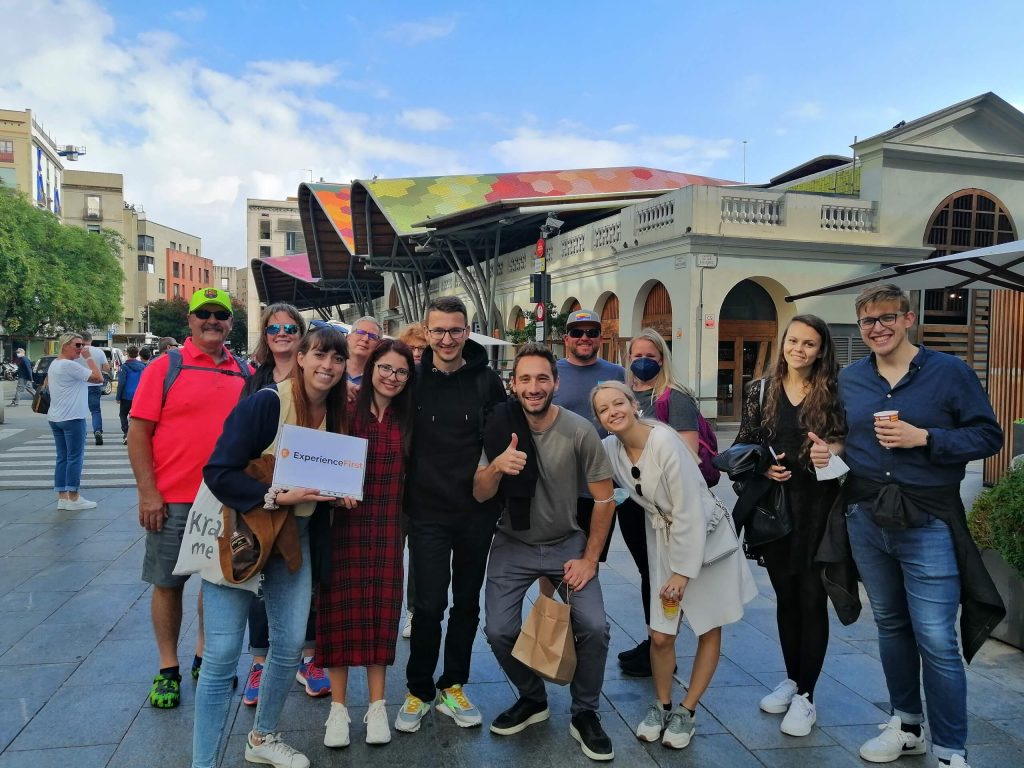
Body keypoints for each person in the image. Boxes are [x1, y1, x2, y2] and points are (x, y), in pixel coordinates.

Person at [810, 283, 1003, 768]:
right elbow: (843, 440)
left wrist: (925, 438)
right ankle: (907, 725)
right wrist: (828, 453)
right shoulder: (851, 379)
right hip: (866, 516)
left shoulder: (949, 372)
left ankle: (951, 749)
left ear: (908, 318)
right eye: (868, 321)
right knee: (892, 625)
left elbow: (988, 436)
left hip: (928, 519)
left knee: (936, 637)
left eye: (887, 318)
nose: (877, 328)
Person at [193, 325, 354, 768]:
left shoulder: (337, 414)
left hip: (293, 541)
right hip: (243, 534)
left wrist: (338, 492)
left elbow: (322, 481)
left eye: (337, 359)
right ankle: (203, 762)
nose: (328, 366)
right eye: (319, 355)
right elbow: (218, 470)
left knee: (288, 646)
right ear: (299, 357)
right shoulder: (267, 403)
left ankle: (262, 736)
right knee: (222, 655)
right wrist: (276, 496)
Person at [593, 380, 756, 750]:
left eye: (618, 403)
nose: (613, 411)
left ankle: (687, 710)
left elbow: (689, 510)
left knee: (708, 625)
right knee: (662, 633)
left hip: (706, 540)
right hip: (663, 542)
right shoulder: (610, 447)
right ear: (600, 419)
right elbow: (577, 458)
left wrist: (682, 573)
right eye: (604, 409)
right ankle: (663, 704)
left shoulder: (664, 442)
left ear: (635, 405)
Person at [475, 344, 616, 761]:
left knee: (595, 626)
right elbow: (480, 493)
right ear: (513, 384)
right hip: (513, 543)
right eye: (525, 379)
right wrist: (497, 467)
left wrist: (590, 559)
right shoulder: (500, 426)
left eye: (542, 379)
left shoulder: (578, 430)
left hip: (566, 544)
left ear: (555, 382)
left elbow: (605, 500)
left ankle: (585, 711)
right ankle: (532, 698)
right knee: (498, 630)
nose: (533, 387)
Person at [129, 288, 251, 710]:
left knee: (214, 582)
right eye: (204, 314)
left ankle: (202, 656)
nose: (212, 320)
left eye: (221, 314)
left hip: (226, 500)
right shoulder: (166, 367)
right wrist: (148, 492)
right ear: (191, 321)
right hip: (174, 499)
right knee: (167, 584)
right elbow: (138, 433)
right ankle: (167, 668)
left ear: (231, 323)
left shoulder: (243, 372)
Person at [395, 296, 506, 734]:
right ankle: (419, 689)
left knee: (465, 604)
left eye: (455, 330)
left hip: (476, 512)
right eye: (438, 331)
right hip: (426, 512)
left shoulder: (487, 382)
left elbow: (503, 442)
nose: (447, 339)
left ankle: (453, 684)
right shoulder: (412, 380)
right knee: (427, 605)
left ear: (467, 331)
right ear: (427, 332)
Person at [733, 315, 846, 736]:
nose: (798, 349)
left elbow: (844, 442)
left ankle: (808, 696)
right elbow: (744, 444)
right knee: (785, 597)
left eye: (809, 343)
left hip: (820, 507)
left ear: (821, 350)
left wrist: (830, 452)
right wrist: (762, 471)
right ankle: (793, 679)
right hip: (776, 510)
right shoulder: (759, 390)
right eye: (793, 341)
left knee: (812, 598)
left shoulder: (834, 390)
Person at [320, 339, 416, 748]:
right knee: (338, 618)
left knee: (380, 615)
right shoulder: (343, 410)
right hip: (343, 526)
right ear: (371, 367)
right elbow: (321, 460)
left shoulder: (409, 419)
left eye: (400, 371)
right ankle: (338, 710)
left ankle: (377, 706)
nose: (392, 377)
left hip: (387, 528)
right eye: (385, 368)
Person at [236, 304, 329, 706]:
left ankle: (308, 656)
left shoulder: (321, 377)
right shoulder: (256, 382)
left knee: (305, 581)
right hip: (267, 504)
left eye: (291, 327)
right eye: (274, 328)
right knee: (260, 583)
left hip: (309, 504)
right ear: (265, 335)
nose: (282, 333)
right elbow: (240, 442)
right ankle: (260, 662)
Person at [617, 328, 702, 677]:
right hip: (632, 503)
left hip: (664, 509)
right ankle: (653, 640)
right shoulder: (624, 396)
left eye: (651, 356)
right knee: (647, 573)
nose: (643, 361)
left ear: (663, 359)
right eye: (637, 355)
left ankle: (662, 646)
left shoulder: (675, 397)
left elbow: (690, 455)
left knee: (665, 576)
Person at [547, 309, 624, 591]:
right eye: (578, 333)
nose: (584, 338)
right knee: (553, 562)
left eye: (591, 333)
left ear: (600, 338)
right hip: (558, 486)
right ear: (566, 338)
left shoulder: (617, 374)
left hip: (600, 488)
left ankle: (579, 625)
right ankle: (554, 623)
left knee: (590, 560)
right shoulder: (552, 373)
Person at [395, 322, 429, 637]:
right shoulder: (392, 385)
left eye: (422, 349)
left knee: (419, 552)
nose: (417, 354)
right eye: (412, 349)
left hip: (422, 485)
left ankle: (414, 611)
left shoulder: (433, 385)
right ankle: (386, 608)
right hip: (393, 482)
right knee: (391, 550)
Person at [46, 333, 102, 510]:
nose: (81, 348)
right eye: (78, 345)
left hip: (56, 417)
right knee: (74, 457)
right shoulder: (69, 365)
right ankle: (74, 496)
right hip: (72, 417)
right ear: (65, 345)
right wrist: (89, 357)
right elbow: (98, 378)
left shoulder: (55, 364)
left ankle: (62, 498)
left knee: (62, 457)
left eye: (83, 345)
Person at [77, 331, 110, 445]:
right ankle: (97, 431)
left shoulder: (77, 351)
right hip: (95, 385)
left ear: (81, 340)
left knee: (80, 411)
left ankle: (81, 434)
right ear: (91, 340)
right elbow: (106, 368)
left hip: (79, 385)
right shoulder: (99, 352)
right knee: (95, 411)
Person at [115, 345, 146, 445]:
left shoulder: (124, 367)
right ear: (137, 354)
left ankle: (126, 433)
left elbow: (121, 383)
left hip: (126, 396)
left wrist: (118, 397)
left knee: (123, 414)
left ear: (127, 354)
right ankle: (136, 435)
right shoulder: (143, 367)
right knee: (136, 416)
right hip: (139, 396)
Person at [345, 316, 382, 392]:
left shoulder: (379, 379)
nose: (365, 339)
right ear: (348, 338)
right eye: (360, 332)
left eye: (373, 336)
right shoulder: (332, 368)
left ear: (378, 345)